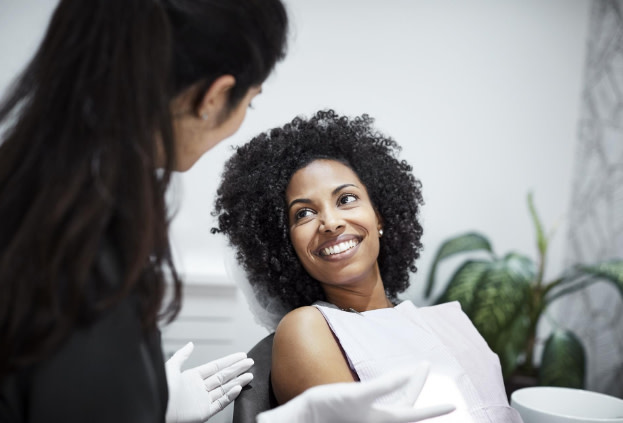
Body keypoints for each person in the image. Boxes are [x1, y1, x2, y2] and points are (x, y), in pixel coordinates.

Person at [0, 1, 452, 422]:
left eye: (347, 198)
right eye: (250, 100)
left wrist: (152, 400)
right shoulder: (81, 249)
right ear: (215, 96)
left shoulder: (40, 199)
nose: (331, 221)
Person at [213, 110, 525, 422]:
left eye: (346, 199)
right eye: (304, 213)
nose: (331, 223)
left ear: (379, 217)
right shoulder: (307, 329)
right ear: (285, 245)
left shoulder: (451, 321)